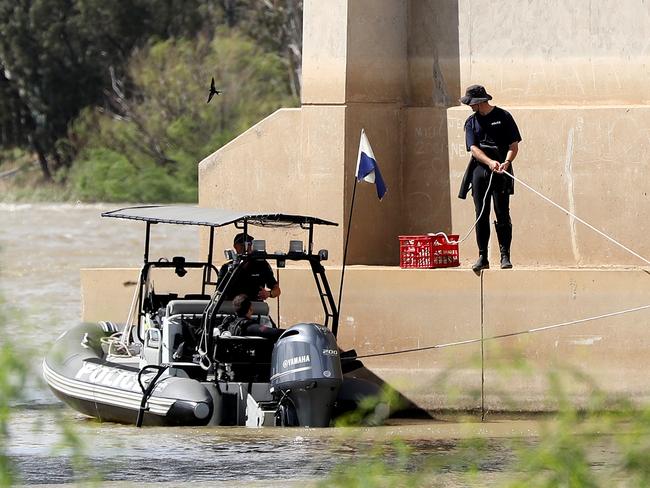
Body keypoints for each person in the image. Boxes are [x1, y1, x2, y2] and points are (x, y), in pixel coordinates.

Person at [458, 85, 522, 272]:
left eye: (471, 103)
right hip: (480, 171)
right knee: (481, 213)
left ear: (480, 102)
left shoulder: (504, 117)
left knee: (502, 212)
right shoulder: (471, 122)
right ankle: (483, 256)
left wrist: (506, 162)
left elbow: (514, 144)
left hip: (502, 171)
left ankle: (505, 255)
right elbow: (473, 148)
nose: (470, 106)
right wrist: (489, 162)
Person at [217, 232, 281, 301]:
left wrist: (269, 293)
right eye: (242, 244)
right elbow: (219, 293)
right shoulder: (227, 268)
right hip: (232, 308)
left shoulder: (261, 264)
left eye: (249, 244)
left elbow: (277, 290)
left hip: (255, 308)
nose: (245, 248)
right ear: (235, 246)